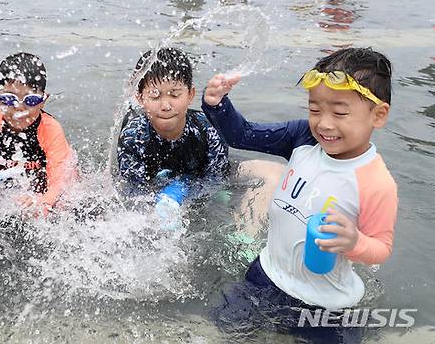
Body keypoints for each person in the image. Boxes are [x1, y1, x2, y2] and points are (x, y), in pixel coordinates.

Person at [202, 48, 398, 343]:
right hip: (265, 276)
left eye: (340, 112)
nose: (324, 123)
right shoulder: (302, 137)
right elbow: (241, 135)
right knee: (224, 332)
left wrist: (355, 242)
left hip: (326, 306)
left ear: (378, 115)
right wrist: (218, 105)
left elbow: (381, 247)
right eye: (315, 109)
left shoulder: (376, 182)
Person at [0, 53, 77, 218]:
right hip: (1, 183)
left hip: (39, 187)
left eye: (30, 100)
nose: (19, 108)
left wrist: (42, 203)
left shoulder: (51, 131)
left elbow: (59, 183)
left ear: (43, 100)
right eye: (8, 99)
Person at [117, 47, 230, 187]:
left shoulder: (208, 131)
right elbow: (133, 192)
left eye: (175, 94)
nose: (166, 106)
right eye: (154, 95)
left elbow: (217, 182)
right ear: (140, 98)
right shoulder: (132, 136)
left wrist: (181, 189)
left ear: (190, 94)